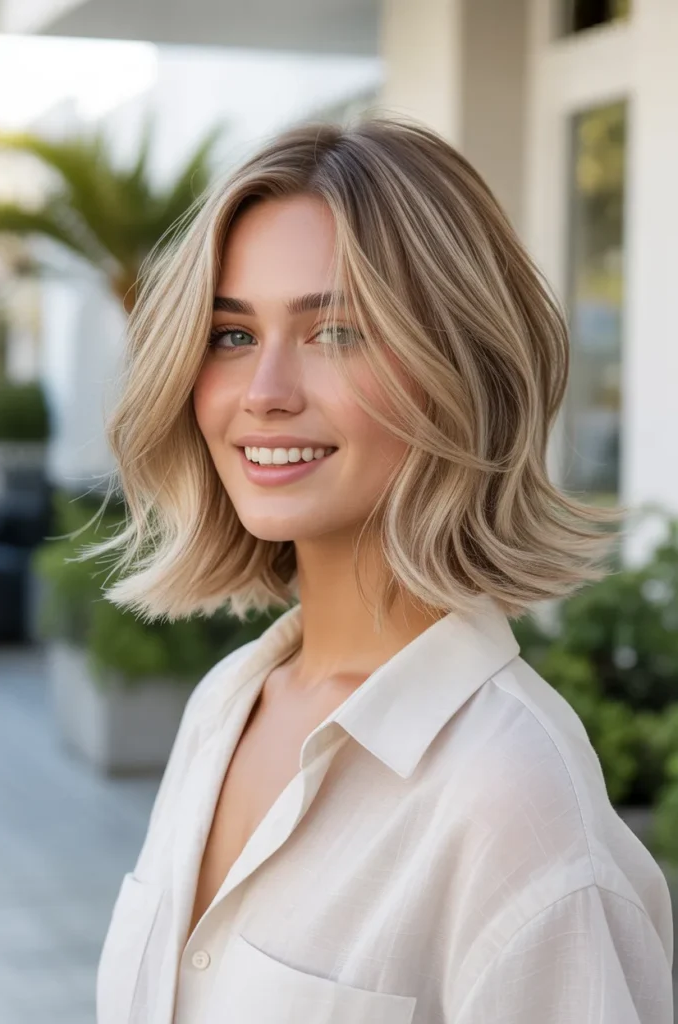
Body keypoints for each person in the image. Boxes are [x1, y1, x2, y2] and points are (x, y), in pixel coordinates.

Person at [90, 117, 673, 1023]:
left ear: (461, 370)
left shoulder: (512, 802)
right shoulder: (223, 707)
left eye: (337, 332)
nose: (266, 392)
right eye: (233, 335)